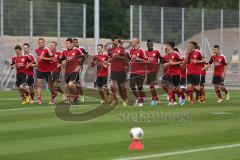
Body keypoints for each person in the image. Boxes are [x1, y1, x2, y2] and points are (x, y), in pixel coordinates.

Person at [60, 38, 84, 104]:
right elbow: (60, 61)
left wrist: (79, 66)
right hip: (67, 71)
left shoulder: (76, 50)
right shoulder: (64, 52)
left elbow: (83, 57)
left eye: (67, 43)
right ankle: (69, 99)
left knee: (71, 85)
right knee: (67, 85)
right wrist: (62, 63)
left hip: (74, 71)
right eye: (66, 43)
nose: (66, 45)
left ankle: (77, 95)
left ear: (71, 44)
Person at [108, 37, 128, 106]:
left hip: (120, 70)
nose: (116, 42)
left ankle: (125, 99)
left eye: (117, 41)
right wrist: (107, 61)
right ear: (112, 41)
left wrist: (118, 57)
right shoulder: (110, 49)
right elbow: (111, 58)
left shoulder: (121, 48)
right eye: (115, 41)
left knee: (121, 86)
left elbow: (125, 58)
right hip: (113, 69)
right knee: (111, 85)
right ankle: (115, 100)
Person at [35, 38, 54, 105]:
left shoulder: (47, 49)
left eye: (41, 42)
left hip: (47, 70)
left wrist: (44, 58)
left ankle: (53, 98)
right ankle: (39, 99)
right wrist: (37, 63)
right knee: (39, 84)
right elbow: (38, 58)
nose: (40, 43)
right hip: (40, 69)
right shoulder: (37, 50)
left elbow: (52, 58)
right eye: (39, 42)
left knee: (50, 85)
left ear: (44, 43)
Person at [129, 38, 147, 107]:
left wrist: (137, 59)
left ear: (136, 42)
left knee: (140, 87)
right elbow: (131, 59)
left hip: (140, 72)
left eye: (132, 42)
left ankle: (141, 102)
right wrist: (130, 62)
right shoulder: (131, 50)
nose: (131, 43)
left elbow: (146, 61)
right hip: (133, 71)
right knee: (132, 86)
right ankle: (138, 98)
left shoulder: (141, 50)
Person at [145, 40, 162, 106]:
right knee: (151, 86)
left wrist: (159, 65)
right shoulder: (145, 52)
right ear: (147, 45)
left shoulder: (156, 52)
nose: (150, 45)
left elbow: (161, 59)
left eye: (151, 44)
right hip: (148, 71)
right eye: (149, 44)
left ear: (153, 45)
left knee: (152, 85)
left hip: (154, 71)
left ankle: (153, 99)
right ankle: (157, 100)